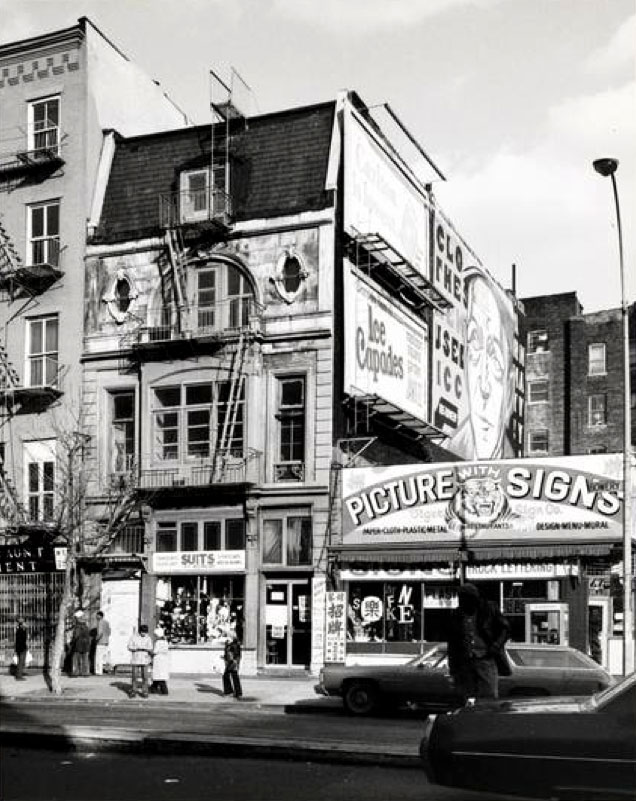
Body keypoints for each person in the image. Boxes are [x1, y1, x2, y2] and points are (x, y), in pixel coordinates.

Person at [448, 269, 516, 461]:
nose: (484, 387)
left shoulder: (515, 466)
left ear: (509, 388)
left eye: (495, 363)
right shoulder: (449, 447)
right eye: (475, 349)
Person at [447, 583, 510, 702]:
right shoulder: (456, 614)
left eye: (464, 598)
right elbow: (452, 644)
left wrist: (495, 646)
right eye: (460, 598)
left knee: (489, 695)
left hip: (485, 659)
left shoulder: (489, 609)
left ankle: (486, 717)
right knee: (466, 696)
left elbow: (505, 629)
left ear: (473, 599)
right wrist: (453, 669)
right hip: (464, 662)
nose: (461, 602)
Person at [127, 623, 153, 698]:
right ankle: (134, 690)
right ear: (140, 631)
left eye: (145, 632)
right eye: (142, 632)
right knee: (134, 676)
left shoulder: (148, 638)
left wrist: (146, 649)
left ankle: (145, 691)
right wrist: (135, 648)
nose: (144, 634)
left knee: (145, 676)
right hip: (136, 657)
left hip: (144, 658)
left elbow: (150, 647)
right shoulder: (133, 637)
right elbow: (129, 646)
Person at [150, 627, 170, 695]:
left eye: (155, 635)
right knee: (159, 675)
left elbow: (155, 651)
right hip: (164, 660)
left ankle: (164, 691)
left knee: (158, 676)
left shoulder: (158, 642)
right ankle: (153, 688)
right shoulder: (165, 642)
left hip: (158, 660)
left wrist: (150, 653)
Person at [71, 610, 91, 677]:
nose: (75, 619)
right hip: (85, 645)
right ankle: (85, 673)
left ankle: (75, 672)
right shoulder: (86, 626)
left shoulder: (78, 626)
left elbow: (76, 636)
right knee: (85, 659)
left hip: (78, 644)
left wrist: (72, 641)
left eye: (76, 618)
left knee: (76, 659)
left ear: (78, 618)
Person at [222, 634, 243, 699]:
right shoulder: (228, 644)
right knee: (232, 676)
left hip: (232, 662)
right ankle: (237, 693)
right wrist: (224, 657)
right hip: (229, 661)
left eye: (229, 636)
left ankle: (231, 692)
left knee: (229, 675)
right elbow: (227, 653)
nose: (227, 638)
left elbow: (237, 654)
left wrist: (236, 661)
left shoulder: (234, 644)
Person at [94, 611, 111, 675]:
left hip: (100, 642)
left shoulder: (100, 622)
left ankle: (98, 671)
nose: (96, 617)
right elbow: (109, 632)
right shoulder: (107, 622)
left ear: (100, 616)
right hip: (106, 641)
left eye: (97, 615)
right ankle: (106, 669)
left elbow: (100, 633)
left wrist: (96, 639)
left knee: (98, 658)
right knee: (104, 657)